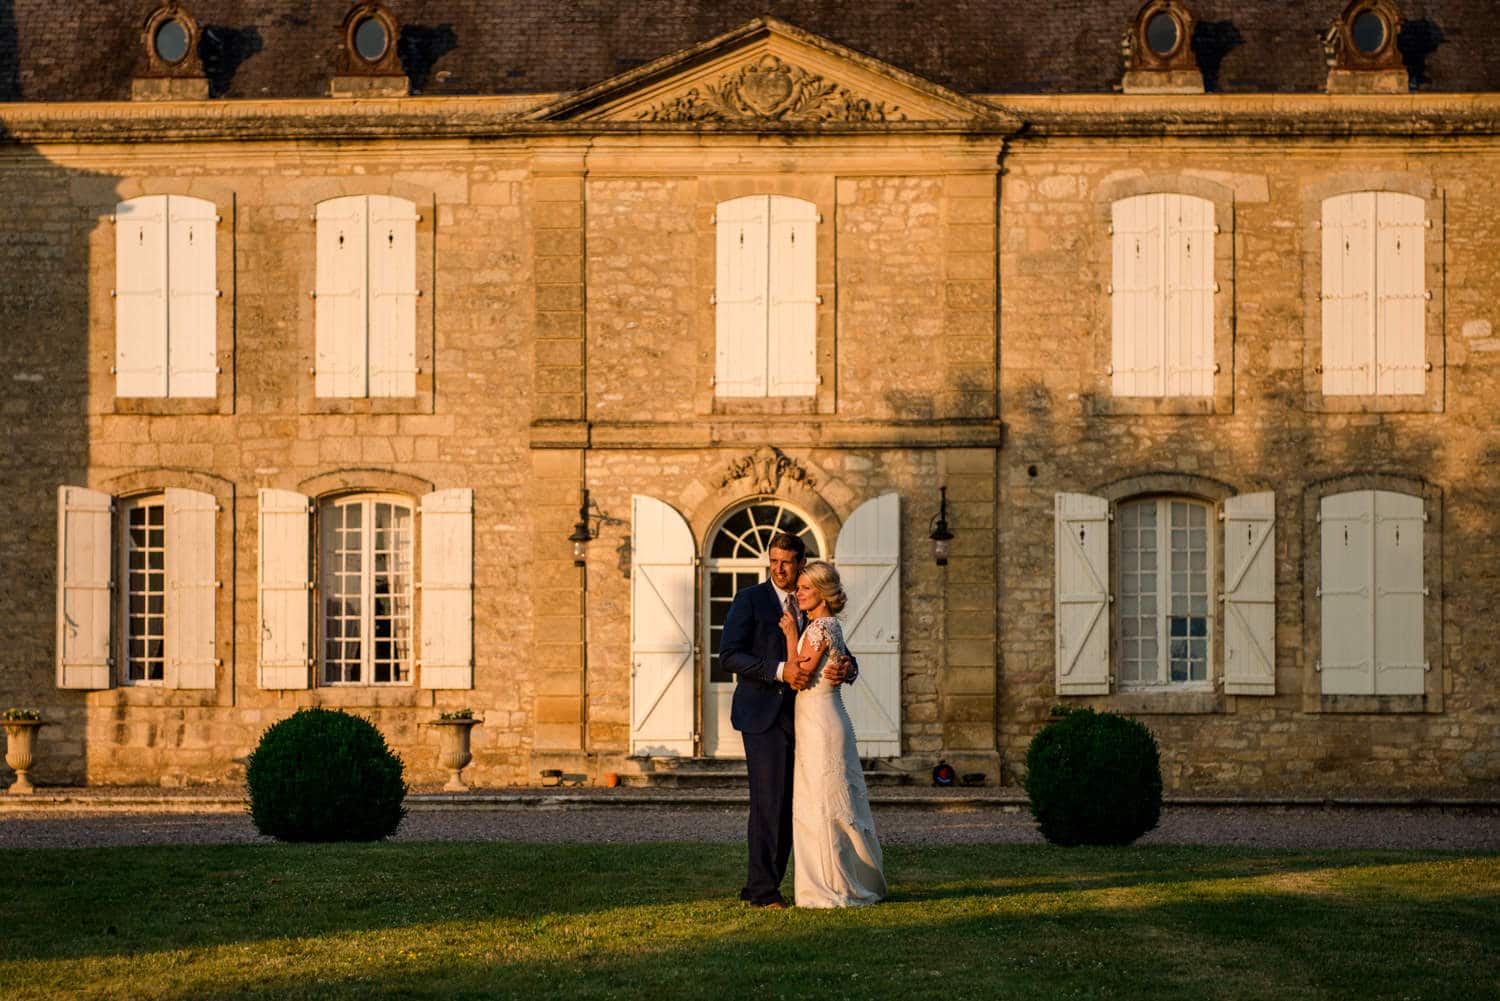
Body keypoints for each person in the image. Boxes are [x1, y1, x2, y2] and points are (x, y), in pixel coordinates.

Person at [719, 531, 855, 909]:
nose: (778, 569)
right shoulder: (749, 600)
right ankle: (762, 892)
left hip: (808, 719)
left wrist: (847, 667)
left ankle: (771, 883)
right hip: (763, 716)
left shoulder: (811, 605)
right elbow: (729, 655)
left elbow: (837, 647)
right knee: (769, 803)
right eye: (773, 561)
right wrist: (780, 670)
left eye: (786, 562)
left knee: (796, 804)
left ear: (800, 563)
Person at [780, 560, 886, 908]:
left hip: (820, 722)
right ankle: (846, 877)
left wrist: (791, 636)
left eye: (806, 588)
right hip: (823, 718)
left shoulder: (816, 628)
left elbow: (799, 675)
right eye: (800, 588)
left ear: (823, 593)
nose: (799, 593)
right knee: (828, 799)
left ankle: (830, 886)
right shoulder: (830, 626)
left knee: (823, 802)